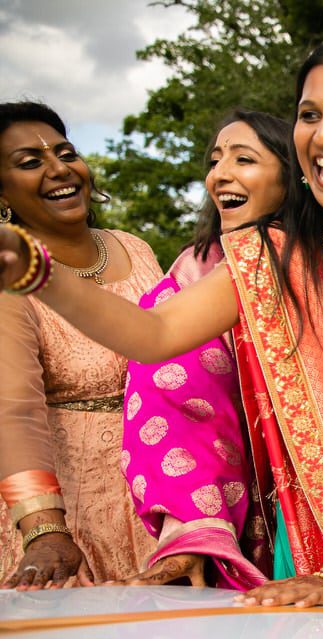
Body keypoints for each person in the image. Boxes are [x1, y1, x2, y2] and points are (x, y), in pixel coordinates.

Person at [0, 42, 323, 614]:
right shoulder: (265, 258)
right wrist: (35, 270)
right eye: (310, 115)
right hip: (309, 545)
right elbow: (151, 335)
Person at [117, 109, 291, 589]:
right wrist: (193, 527)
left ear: (293, 174)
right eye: (216, 160)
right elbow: (168, 383)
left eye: (245, 159)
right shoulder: (197, 270)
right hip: (254, 498)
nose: (221, 174)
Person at [0, 102, 161, 588]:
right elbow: (13, 410)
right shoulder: (11, 271)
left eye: (66, 153)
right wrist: (45, 531)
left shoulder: (135, 248)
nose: (58, 169)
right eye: (30, 162)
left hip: (159, 504)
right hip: (68, 519)